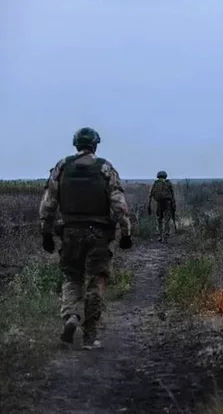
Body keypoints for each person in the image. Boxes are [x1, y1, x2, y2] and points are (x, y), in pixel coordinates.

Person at [39, 127, 132, 350]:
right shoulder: (105, 168)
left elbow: (49, 202)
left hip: (70, 234)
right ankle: (89, 336)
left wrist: (46, 231)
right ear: (95, 145)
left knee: (72, 278)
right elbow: (119, 205)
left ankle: (71, 315)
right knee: (95, 281)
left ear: (76, 144)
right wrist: (126, 233)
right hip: (98, 235)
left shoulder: (62, 167)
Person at [147, 170, 175, 241]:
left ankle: (160, 235)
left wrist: (149, 205)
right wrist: (173, 204)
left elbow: (150, 194)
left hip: (159, 203)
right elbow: (172, 194)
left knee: (159, 219)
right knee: (167, 219)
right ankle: (166, 235)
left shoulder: (155, 183)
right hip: (167, 203)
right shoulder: (168, 183)